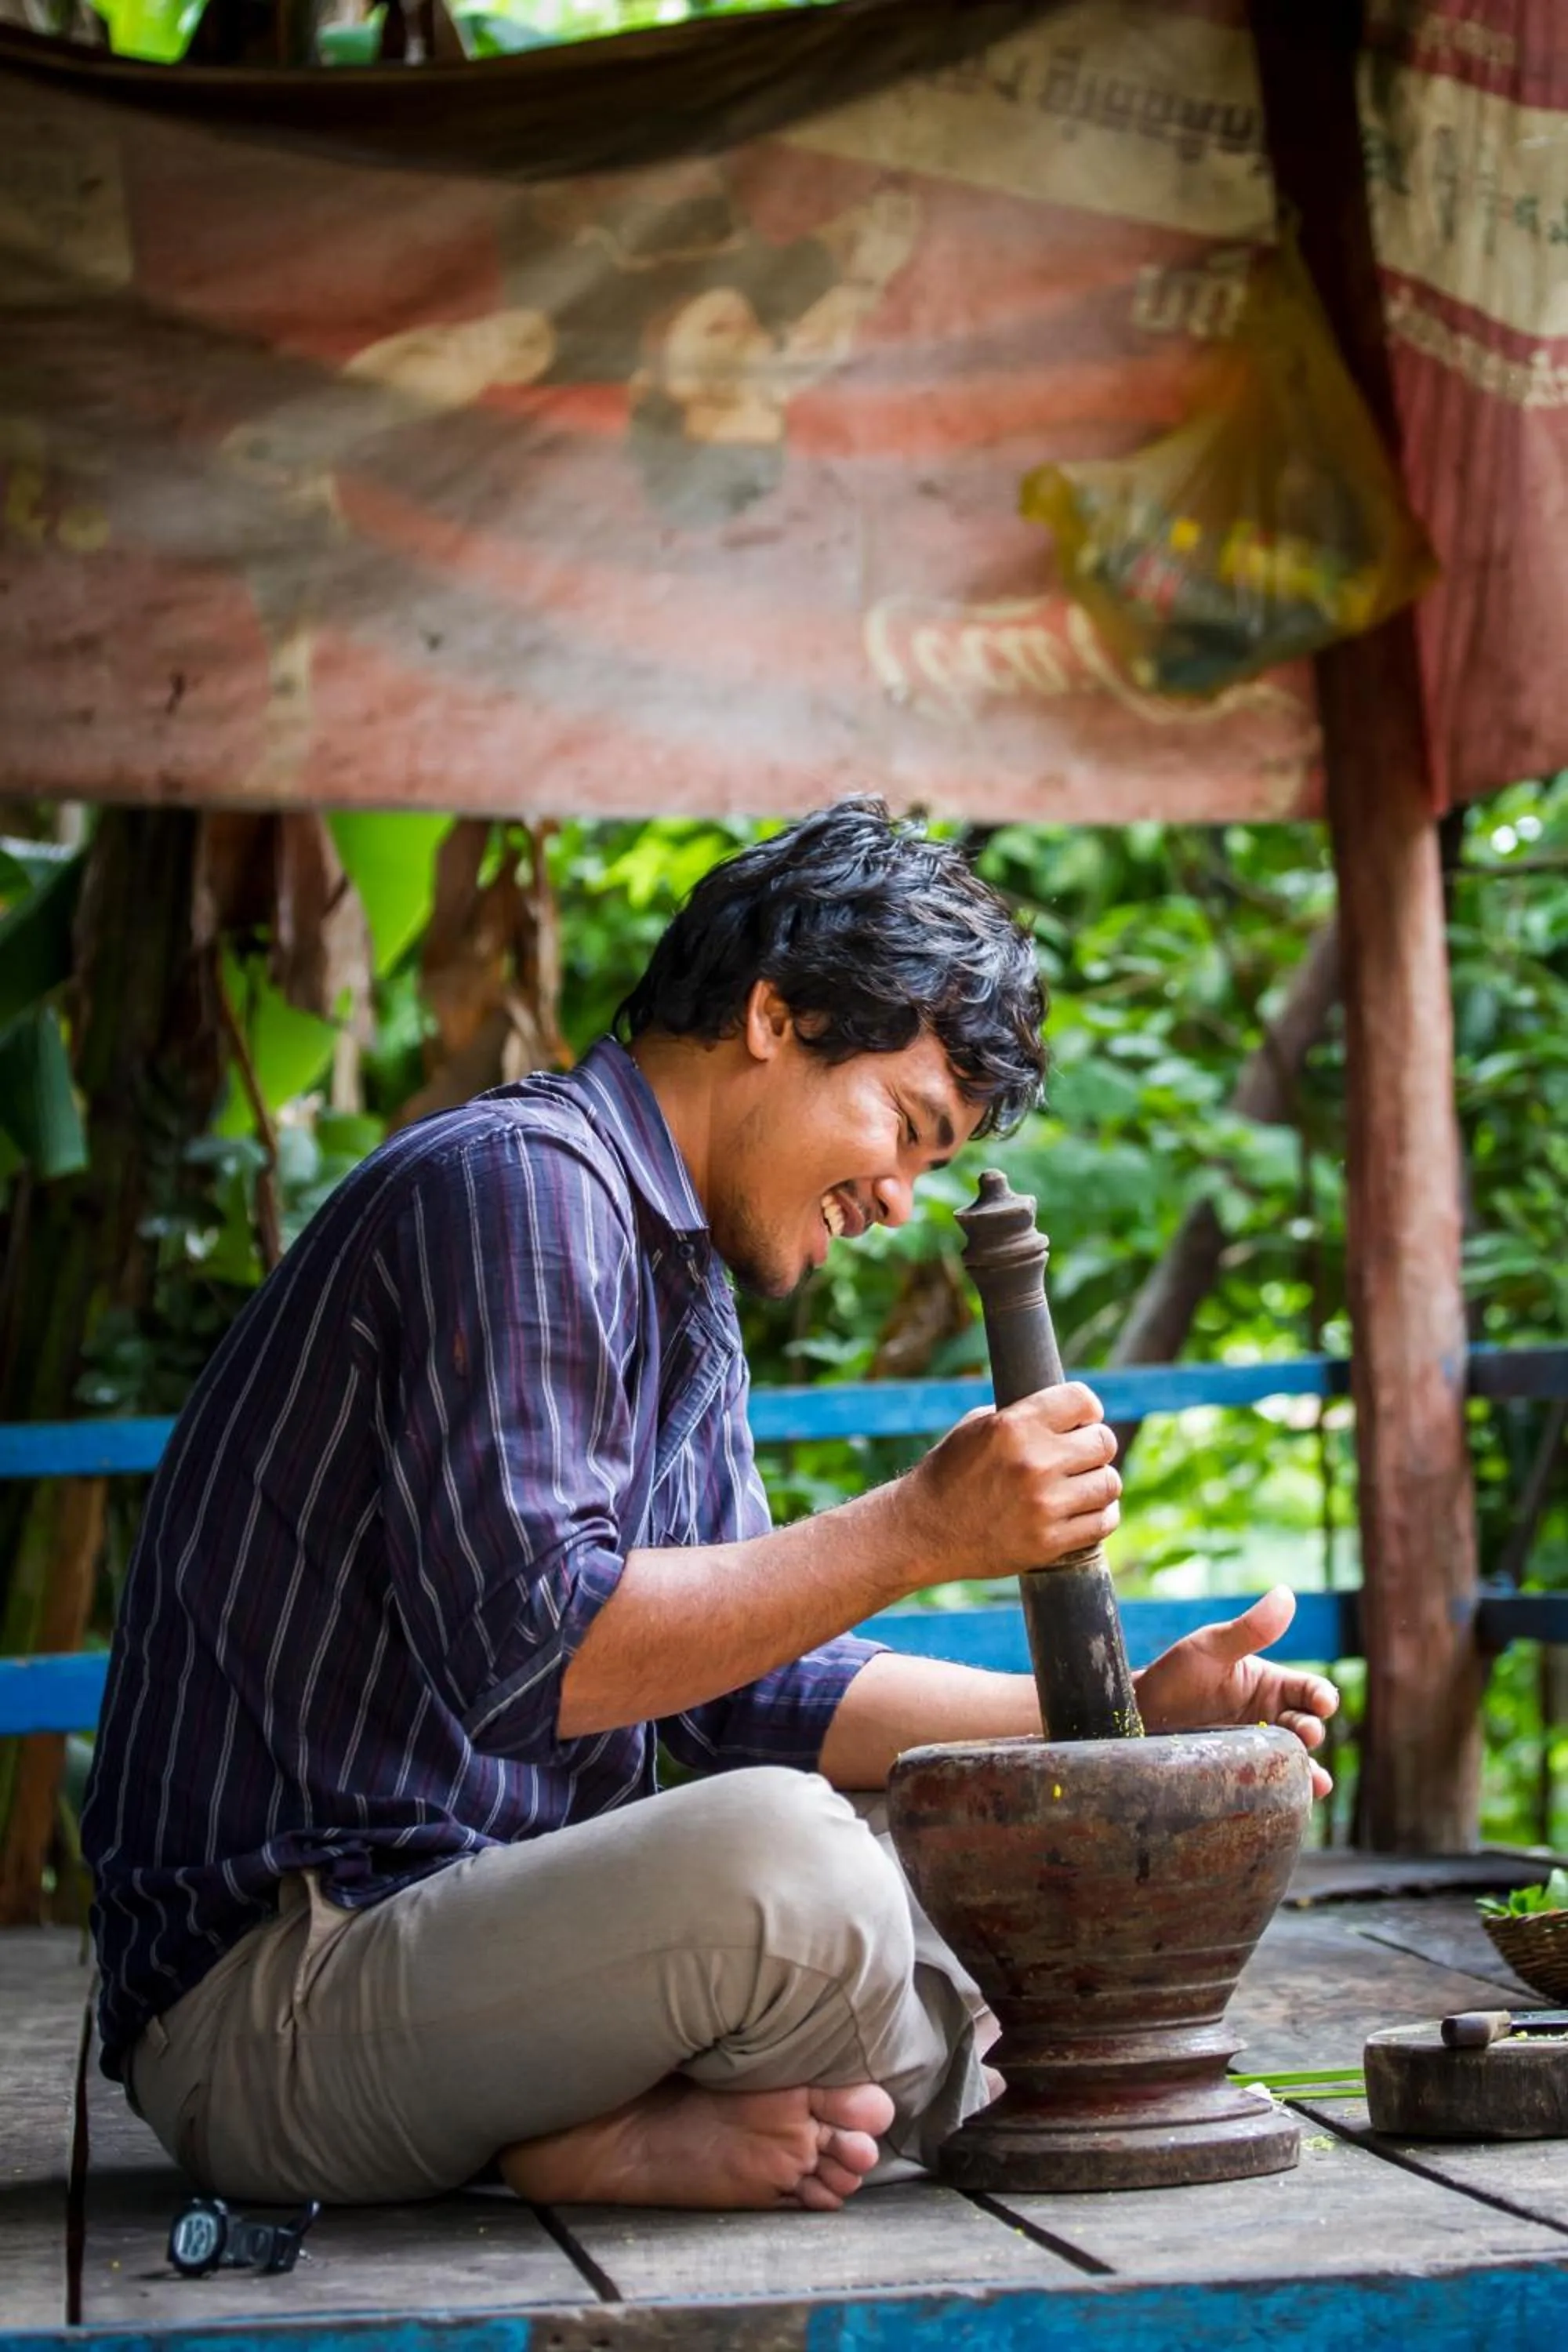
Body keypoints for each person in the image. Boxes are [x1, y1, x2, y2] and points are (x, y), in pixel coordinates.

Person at [81, 798, 1337, 2216]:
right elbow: (541, 1657)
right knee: (803, 1869)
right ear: (772, 1017)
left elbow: (751, 1695)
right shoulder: (518, 1193)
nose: (899, 1199)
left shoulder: (681, 1287)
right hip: (278, 2002)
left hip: (473, 1962)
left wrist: (1111, 1730)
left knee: (943, 1837)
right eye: (905, 1128)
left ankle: (624, 2114)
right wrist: (922, 1528)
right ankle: (883, 2083)